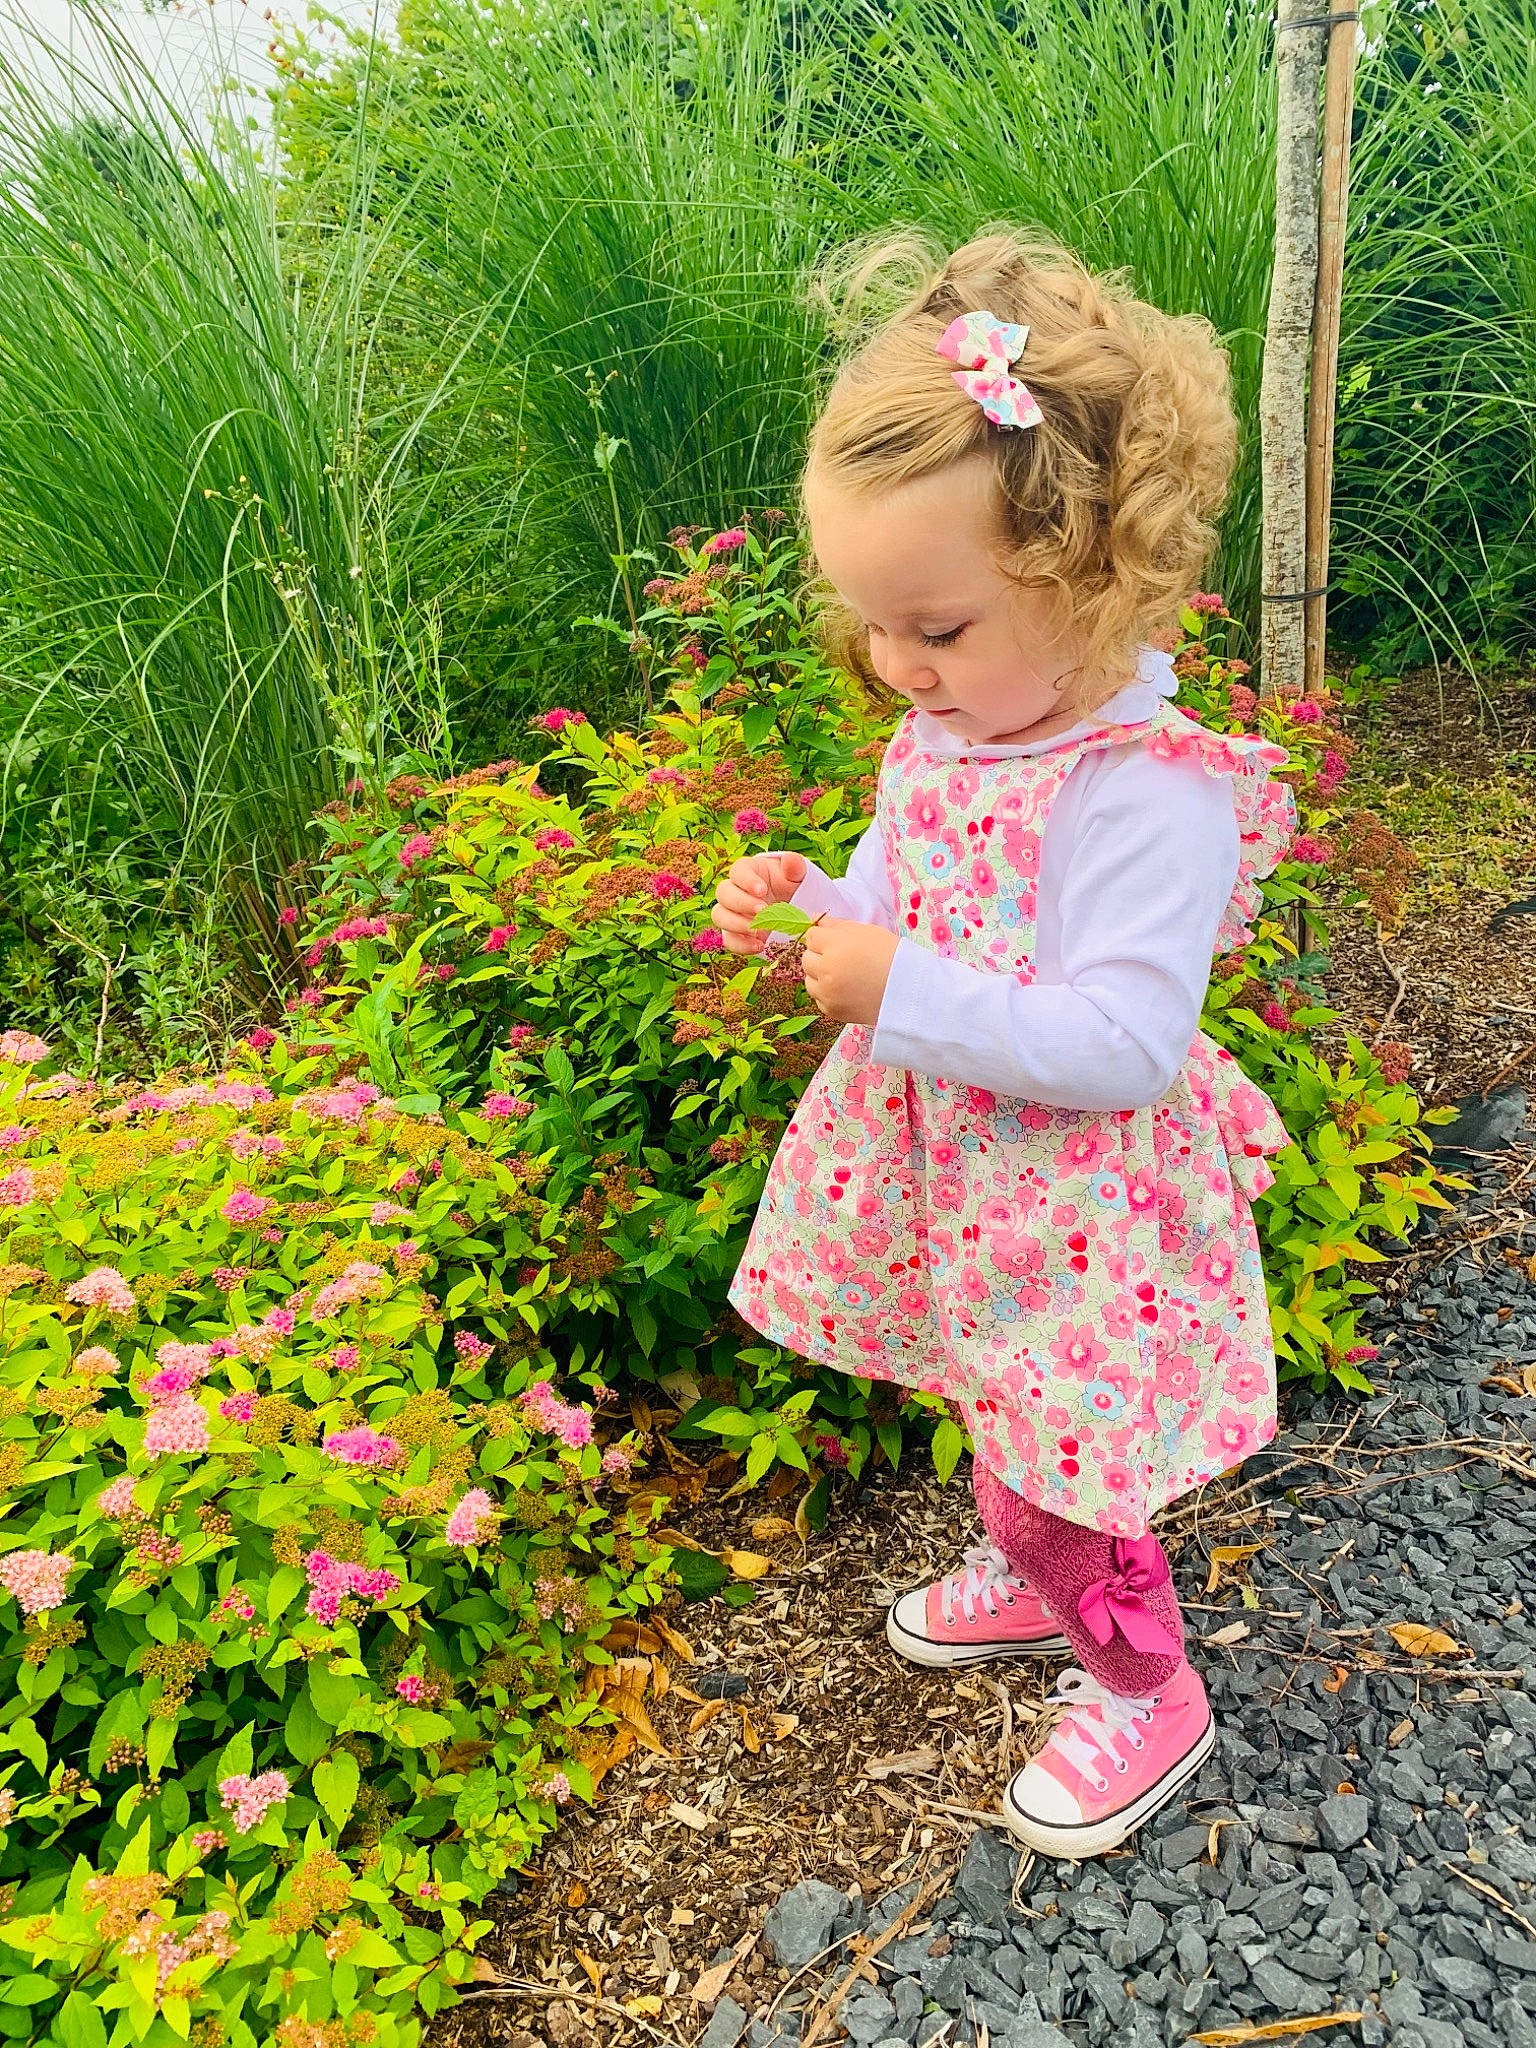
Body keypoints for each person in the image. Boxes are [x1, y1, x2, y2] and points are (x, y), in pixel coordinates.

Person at [712, 229, 1298, 1861]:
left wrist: (892, 981)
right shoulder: (942, 739)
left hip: (1075, 1197)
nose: (899, 668)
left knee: (1066, 1453)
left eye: (940, 628)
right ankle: (1034, 1569)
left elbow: (1120, 1039)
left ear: (1092, 575)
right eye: (871, 629)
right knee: (996, 1398)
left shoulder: (1147, 792)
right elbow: (915, 905)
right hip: (962, 1173)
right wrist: (815, 904)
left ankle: (1143, 1677)